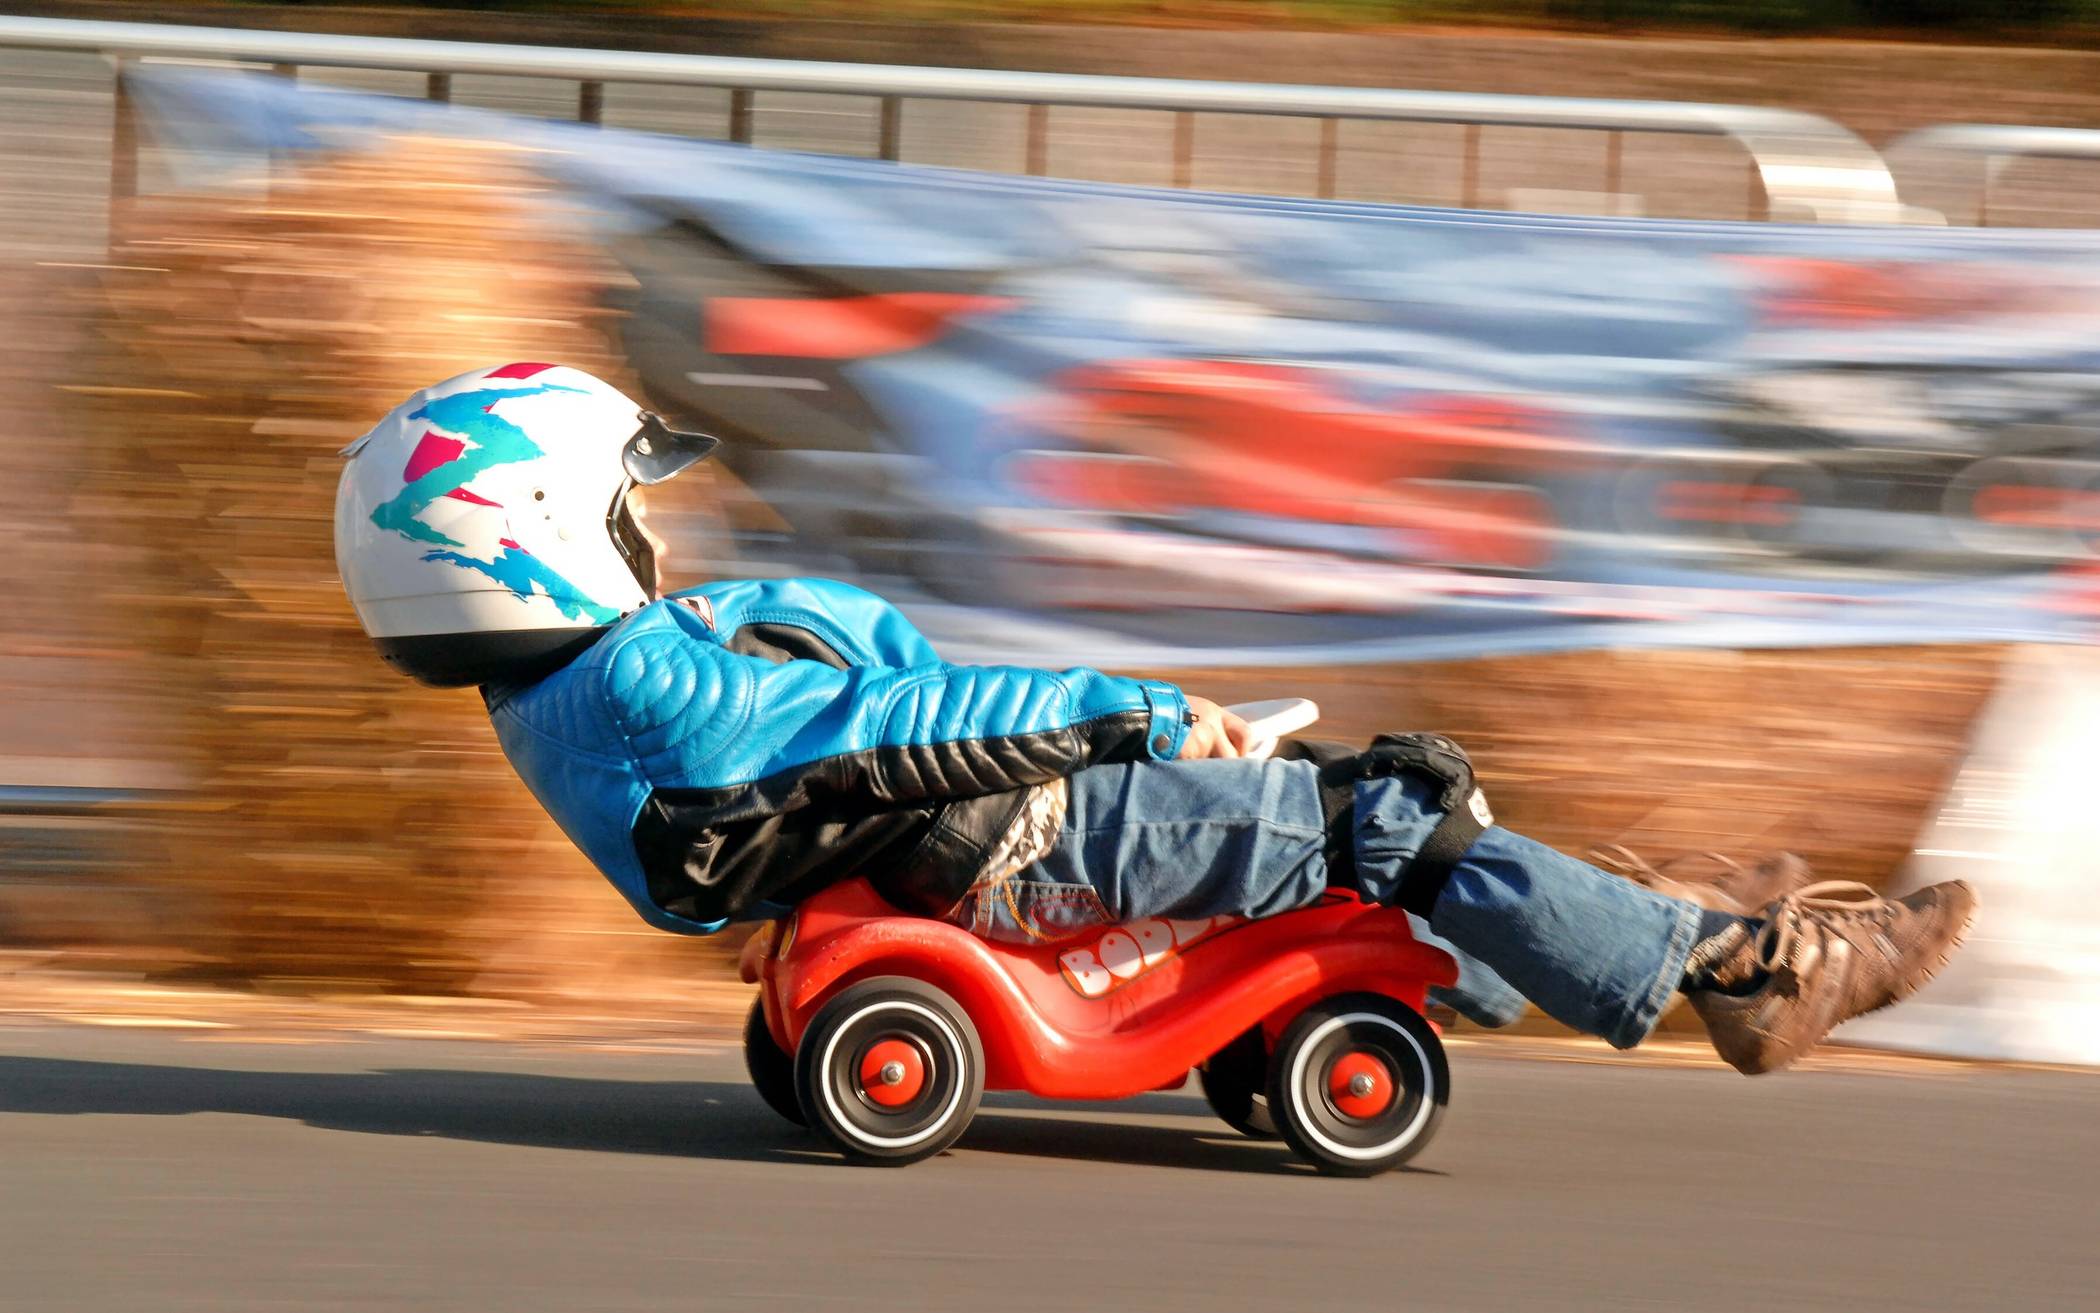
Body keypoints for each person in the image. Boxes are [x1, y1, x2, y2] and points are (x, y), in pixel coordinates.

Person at [334, 365, 1976, 1075]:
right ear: (533, 528)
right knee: (1389, 803)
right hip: (1014, 847)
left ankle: (1634, 923)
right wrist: (1124, 713)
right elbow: (903, 732)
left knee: (1383, 808)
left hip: (971, 833)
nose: (654, 529)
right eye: (626, 503)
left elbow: (851, 675)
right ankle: (1749, 977)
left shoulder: (574, 688)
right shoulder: (639, 685)